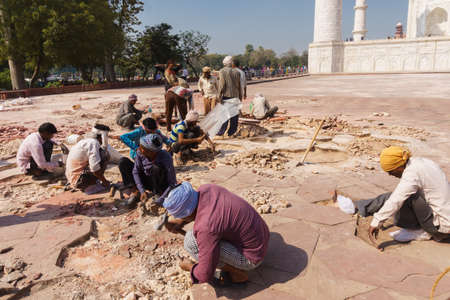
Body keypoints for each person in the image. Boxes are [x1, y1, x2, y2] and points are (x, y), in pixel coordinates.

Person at [160, 182, 269, 285]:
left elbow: (204, 275)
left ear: (186, 214)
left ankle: (238, 274)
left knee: (190, 241)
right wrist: (182, 221)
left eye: (180, 216)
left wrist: (190, 267)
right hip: (262, 236)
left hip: (252, 257)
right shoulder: (207, 189)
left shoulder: (206, 227)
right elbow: (200, 211)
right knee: (206, 238)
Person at [356, 146, 450, 243]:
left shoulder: (412, 173)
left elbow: (396, 200)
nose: (390, 175)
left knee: (407, 197)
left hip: (441, 229)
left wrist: (376, 222)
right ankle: (362, 206)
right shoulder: (423, 162)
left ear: (399, 167)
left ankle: (416, 231)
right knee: (399, 194)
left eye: (391, 171)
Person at [128, 134, 177, 207]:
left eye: (143, 149)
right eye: (141, 147)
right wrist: (142, 190)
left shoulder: (165, 157)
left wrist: (162, 198)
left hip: (159, 182)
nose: (140, 150)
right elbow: (136, 171)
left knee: (155, 167)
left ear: (152, 152)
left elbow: (172, 182)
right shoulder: (140, 152)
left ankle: (157, 193)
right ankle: (136, 192)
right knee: (124, 162)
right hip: (147, 180)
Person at [217, 56, 242, 137]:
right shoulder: (237, 72)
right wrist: (240, 97)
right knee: (234, 116)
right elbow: (239, 86)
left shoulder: (222, 71)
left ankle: (221, 132)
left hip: (226, 96)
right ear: (231, 63)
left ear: (224, 63)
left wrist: (219, 95)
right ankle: (231, 132)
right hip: (235, 96)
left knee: (225, 115)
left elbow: (222, 84)